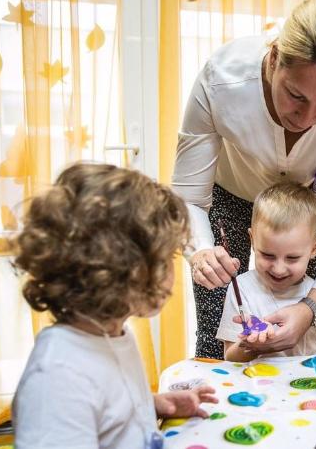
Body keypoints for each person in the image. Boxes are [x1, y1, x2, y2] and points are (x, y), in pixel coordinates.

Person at [172, 0, 316, 359]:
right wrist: (201, 249)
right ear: (273, 59)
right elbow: (188, 196)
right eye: (296, 95)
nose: (308, 117)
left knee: (309, 320)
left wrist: (312, 306)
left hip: (300, 202)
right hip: (225, 196)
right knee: (214, 326)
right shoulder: (222, 80)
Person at [11, 163, 218, 448]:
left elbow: (112, 407)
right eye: (166, 257)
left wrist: (156, 405)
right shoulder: (58, 378)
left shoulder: (111, 333)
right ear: (120, 269)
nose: (173, 272)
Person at [216, 182, 316, 362]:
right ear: (253, 239)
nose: (278, 269)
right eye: (268, 255)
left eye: (292, 258)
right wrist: (252, 346)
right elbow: (230, 357)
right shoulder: (241, 289)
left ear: (315, 248)